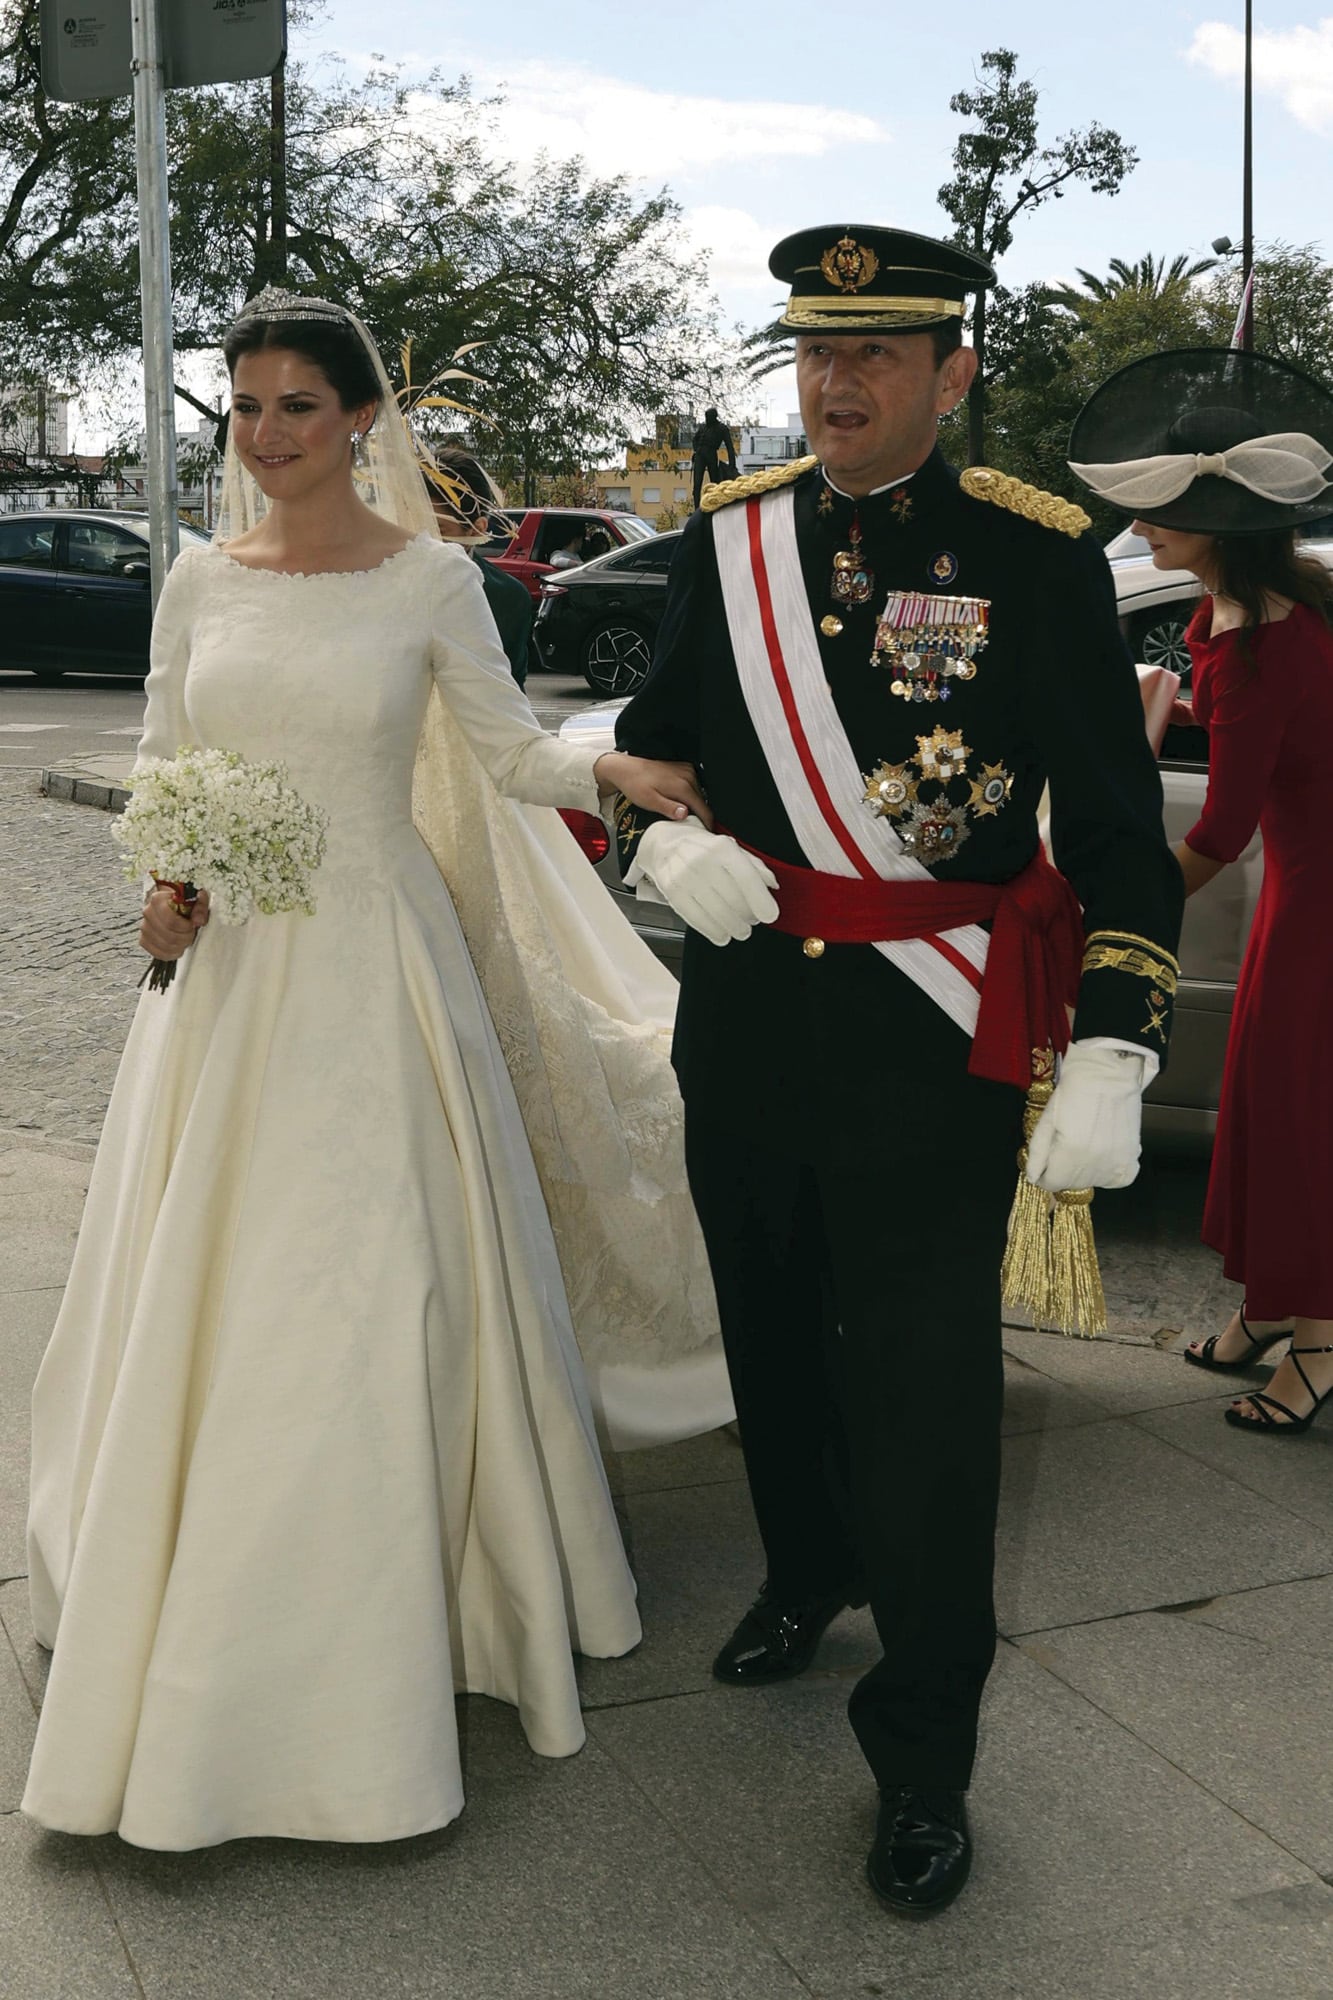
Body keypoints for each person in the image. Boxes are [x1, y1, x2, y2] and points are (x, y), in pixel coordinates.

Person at [21, 289, 723, 1851]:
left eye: (296, 409)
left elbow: (509, 753)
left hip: (376, 975)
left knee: (374, 1281)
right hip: (225, 979)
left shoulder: (432, 580)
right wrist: (160, 880)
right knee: (211, 1282)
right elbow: (161, 753)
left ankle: (398, 1625)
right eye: (247, 411)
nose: (267, 438)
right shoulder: (198, 579)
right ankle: (188, 1587)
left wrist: (613, 767)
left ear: (359, 421)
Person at [610, 226, 1184, 1916]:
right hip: (747, 1016)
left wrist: (1113, 1035)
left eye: (876, 354)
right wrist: (654, 856)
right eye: (814, 351)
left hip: (933, 1034)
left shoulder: (1033, 550)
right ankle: (803, 1568)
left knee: (926, 1397)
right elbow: (648, 760)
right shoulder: (733, 543)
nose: (836, 382)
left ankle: (922, 1750)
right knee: (771, 1330)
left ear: (951, 373)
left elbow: (1111, 829)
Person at [1070, 347, 1333, 1437]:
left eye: (1162, 513)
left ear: (1216, 525)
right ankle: (1267, 1308)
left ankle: (1315, 1345)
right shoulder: (1265, 611)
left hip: (1318, 907)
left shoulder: (1260, 640)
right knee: (1276, 1106)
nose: (1142, 531)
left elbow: (1220, 831)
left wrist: (1121, 913)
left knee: (1300, 1116)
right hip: (1307, 888)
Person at [422, 444, 531, 686]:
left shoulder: (508, 598)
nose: (423, 539)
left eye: (439, 530)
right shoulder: (386, 581)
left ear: (477, 529)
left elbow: (511, 689)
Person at [691, 406, 737, 510]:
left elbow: (730, 447)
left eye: (708, 417)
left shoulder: (722, 428)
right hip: (700, 456)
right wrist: (696, 450)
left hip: (711, 454)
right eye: (705, 417)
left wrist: (732, 465)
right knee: (697, 485)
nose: (706, 419)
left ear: (714, 417)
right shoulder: (703, 427)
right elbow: (695, 439)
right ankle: (696, 509)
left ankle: (715, 505)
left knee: (715, 483)